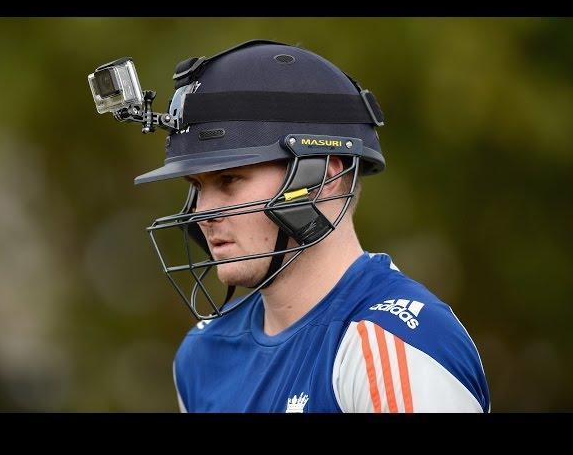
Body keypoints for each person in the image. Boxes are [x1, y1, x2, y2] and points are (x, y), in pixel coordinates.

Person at [133, 40, 490, 413]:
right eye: (197, 187)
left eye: (229, 180)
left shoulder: (390, 342)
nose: (204, 213)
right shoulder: (202, 357)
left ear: (324, 178)